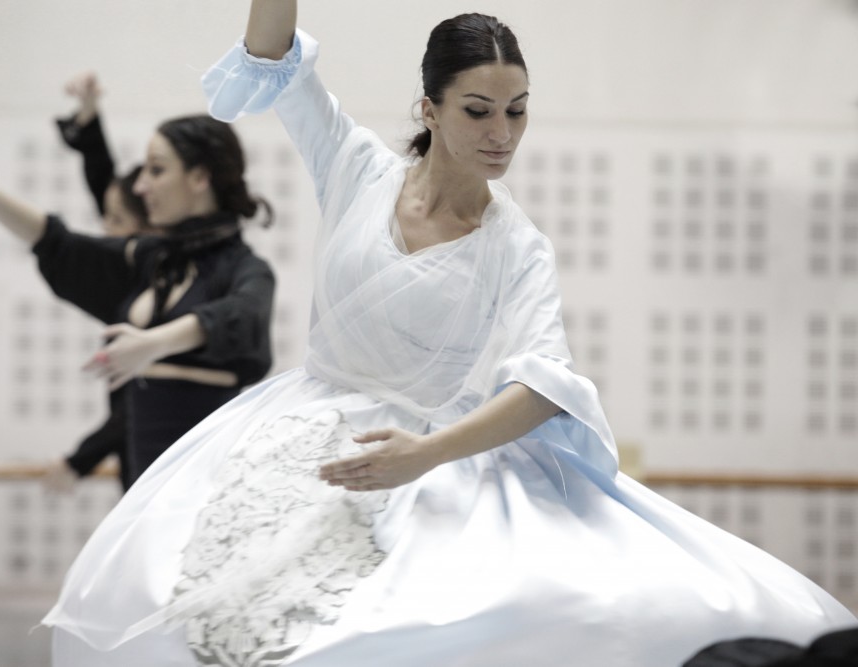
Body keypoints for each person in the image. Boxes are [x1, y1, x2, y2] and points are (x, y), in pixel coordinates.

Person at [42, 3, 857, 666]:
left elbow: (543, 385)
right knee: (185, 612)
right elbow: (276, 55)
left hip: (425, 456)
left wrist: (426, 454)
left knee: (406, 632)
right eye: (478, 110)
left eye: (517, 111)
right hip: (292, 432)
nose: (502, 132)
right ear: (428, 109)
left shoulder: (517, 245)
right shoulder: (357, 168)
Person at [0, 111, 275, 487]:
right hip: (140, 485)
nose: (142, 186)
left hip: (205, 486)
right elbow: (60, 245)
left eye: (156, 170)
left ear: (199, 177)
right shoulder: (151, 260)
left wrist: (155, 343)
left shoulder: (246, 270)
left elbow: (241, 315)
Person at [43, 71, 153, 493]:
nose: (105, 230)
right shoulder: (131, 269)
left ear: (151, 230)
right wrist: (89, 118)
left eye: (116, 221)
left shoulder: (161, 293)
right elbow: (106, 185)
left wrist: (78, 460)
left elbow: (139, 406)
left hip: (162, 457)